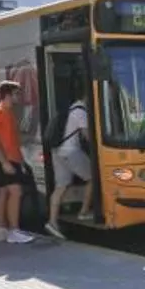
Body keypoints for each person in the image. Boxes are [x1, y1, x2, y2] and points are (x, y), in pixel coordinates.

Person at [0, 80, 34, 244]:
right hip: (5, 160)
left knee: (4, 193)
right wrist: (4, 162)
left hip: (10, 159)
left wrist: (21, 161)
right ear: (8, 95)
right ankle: (14, 230)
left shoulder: (8, 113)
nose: (19, 97)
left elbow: (13, 140)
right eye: (16, 93)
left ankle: (2, 229)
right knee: (16, 192)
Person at [46, 89, 93, 239]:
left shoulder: (70, 108)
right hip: (71, 152)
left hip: (58, 151)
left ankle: (52, 222)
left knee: (60, 187)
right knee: (93, 177)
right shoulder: (81, 112)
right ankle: (83, 212)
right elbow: (87, 136)